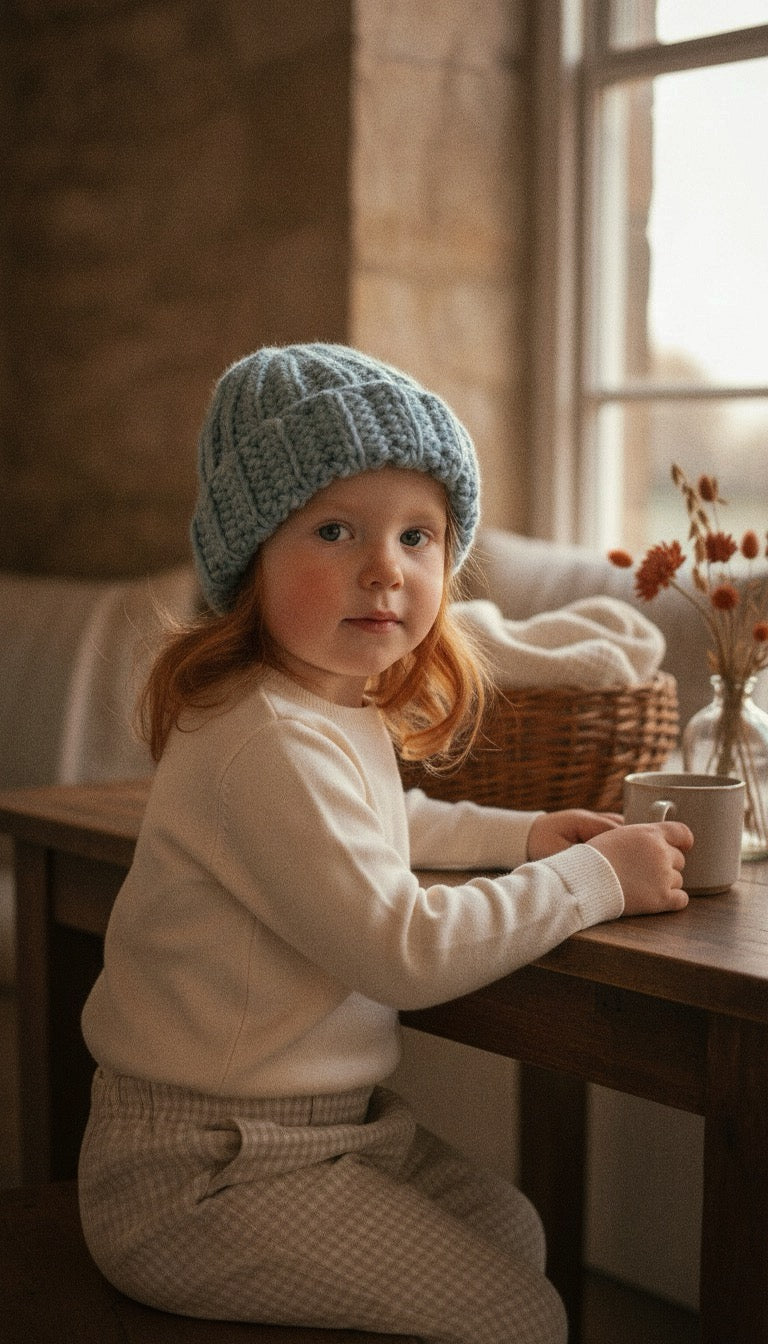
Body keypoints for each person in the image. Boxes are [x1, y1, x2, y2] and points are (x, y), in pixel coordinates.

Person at [78, 344, 692, 1344]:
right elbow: (398, 948)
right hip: (206, 1169)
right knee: (519, 1314)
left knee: (514, 1230)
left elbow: (389, 825)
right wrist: (591, 882)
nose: (386, 569)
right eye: (335, 530)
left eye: (419, 536)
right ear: (249, 558)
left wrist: (527, 834)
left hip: (327, 1134)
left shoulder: (322, 710)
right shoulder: (264, 736)